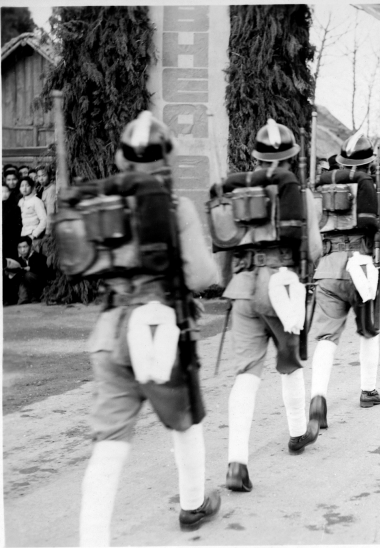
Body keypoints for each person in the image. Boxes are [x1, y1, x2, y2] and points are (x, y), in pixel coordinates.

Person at [66, 112, 221, 544]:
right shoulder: (175, 207)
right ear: (166, 159)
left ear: (121, 160)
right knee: (185, 421)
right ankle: (192, 505)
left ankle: (92, 540)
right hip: (159, 331)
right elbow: (203, 275)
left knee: (110, 439)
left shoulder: (102, 203)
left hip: (111, 329)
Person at [219, 119, 322, 494]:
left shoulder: (237, 189)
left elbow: (225, 242)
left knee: (246, 373)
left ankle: (237, 463)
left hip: (242, 285)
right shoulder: (295, 189)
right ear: (292, 155)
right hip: (279, 285)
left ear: (257, 156)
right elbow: (311, 248)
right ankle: (297, 433)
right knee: (289, 361)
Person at [305, 132, 380, 436]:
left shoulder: (320, 190)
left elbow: (313, 241)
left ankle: (317, 400)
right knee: (369, 329)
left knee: (326, 337)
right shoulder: (373, 187)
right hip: (362, 264)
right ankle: (368, 390)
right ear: (370, 162)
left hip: (328, 266)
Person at [4, 236, 48, 305]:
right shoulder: (18, 260)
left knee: (27, 275)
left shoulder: (40, 257)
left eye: (25, 247)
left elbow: (45, 272)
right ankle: (22, 299)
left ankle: (29, 299)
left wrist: (30, 268)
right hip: (23, 287)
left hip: (38, 286)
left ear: (31, 246)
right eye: (19, 247)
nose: (22, 250)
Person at [18, 176, 47, 251]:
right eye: (22, 186)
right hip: (23, 236)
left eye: (27, 185)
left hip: (34, 237)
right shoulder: (21, 201)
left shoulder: (36, 201)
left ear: (31, 187)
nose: (24, 188)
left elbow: (44, 220)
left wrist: (34, 234)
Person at [3, 182, 22, 261]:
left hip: (10, 239)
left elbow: (18, 226)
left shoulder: (15, 207)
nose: (4, 194)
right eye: (2, 191)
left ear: (10, 192)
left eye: (6, 191)